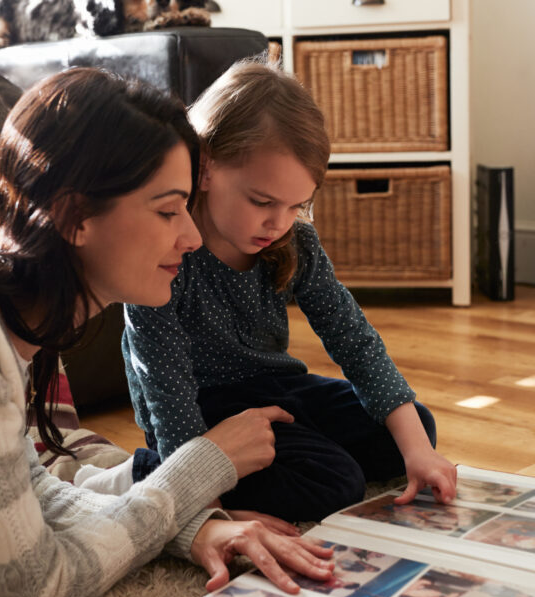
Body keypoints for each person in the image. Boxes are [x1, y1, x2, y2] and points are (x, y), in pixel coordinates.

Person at [0, 67, 337, 597]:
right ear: (74, 215)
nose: (193, 236)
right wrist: (200, 466)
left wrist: (196, 528)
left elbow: (32, 496)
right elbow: (31, 585)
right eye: (170, 209)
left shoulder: (4, 327)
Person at [118, 57, 457, 523]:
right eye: (262, 202)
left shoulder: (293, 242)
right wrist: (200, 498)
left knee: (414, 427)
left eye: (296, 205)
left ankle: (304, 454)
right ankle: (149, 473)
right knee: (336, 483)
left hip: (279, 386)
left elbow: (353, 340)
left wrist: (417, 450)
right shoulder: (166, 251)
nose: (277, 223)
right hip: (200, 408)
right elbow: (164, 385)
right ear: (207, 166)